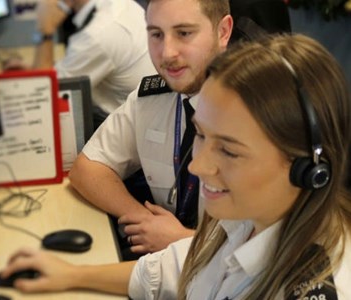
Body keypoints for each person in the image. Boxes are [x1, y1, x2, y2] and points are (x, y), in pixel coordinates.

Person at [0, 34, 351, 299]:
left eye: (229, 151)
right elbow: (172, 270)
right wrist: (72, 275)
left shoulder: (315, 286)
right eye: (201, 135)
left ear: (309, 167)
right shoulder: (245, 219)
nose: (197, 166)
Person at [68, 0, 233, 255]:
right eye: (156, 34)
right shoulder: (151, 99)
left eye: (184, 33)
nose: (167, 53)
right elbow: (87, 169)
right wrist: (147, 222)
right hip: (161, 270)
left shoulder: (259, 114)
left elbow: (275, 247)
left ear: (223, 32)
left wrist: (183, 241)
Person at [7, 0, 154, 125]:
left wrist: (45, 31)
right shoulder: (118, 6)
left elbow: (42, 98)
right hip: (144, 116)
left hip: (128, 131)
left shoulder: (97, 34)